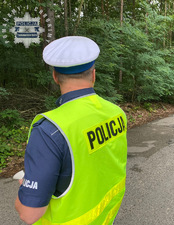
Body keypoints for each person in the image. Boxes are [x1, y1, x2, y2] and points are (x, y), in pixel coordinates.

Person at [15, 36, 127, 225]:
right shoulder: (116, 113)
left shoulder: (49, 130)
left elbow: (29, 214)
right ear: (93, 74)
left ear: (55, 77)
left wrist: (25, 187)